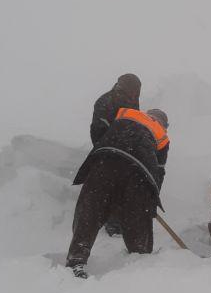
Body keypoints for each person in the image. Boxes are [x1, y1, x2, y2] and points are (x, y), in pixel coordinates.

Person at [65, 107, 170, 278]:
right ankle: (141, 261)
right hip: (138, 174)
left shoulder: (126, 115)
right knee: (137, 216)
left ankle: (76, 262)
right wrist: (151, 200)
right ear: (163, 123)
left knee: (90, 212)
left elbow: (102, 133)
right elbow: (158, 172)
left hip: (103, 163)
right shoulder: (162, 136)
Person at [73, 73, 142, 185]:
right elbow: (97, 131)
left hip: (126, 153)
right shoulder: (105, 101)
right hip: (107, 151)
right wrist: (113, 148)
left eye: (137, 91)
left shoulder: (133, 102)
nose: (135, 94)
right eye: (134, 90)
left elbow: (134, 127)